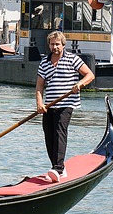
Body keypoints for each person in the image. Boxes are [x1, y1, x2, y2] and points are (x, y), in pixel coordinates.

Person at [35, 30, 95, 183]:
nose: (55, 47)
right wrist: (39, 104)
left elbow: (90, 75)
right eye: (52, 44)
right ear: (49, 45)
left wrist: (79, 84)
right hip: (50, 105)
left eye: (57, 44)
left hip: (67, 104)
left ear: (63, 44)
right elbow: (39, 86)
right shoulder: (44, 62)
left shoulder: (72, 59)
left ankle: (58, 169)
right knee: (48, 134)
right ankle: (57, 167)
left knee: (59, 132)